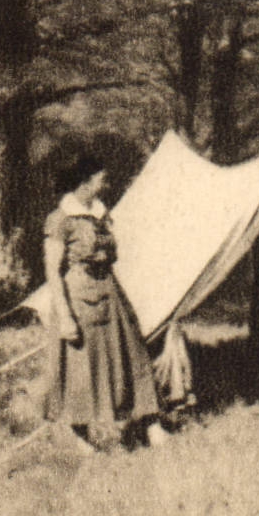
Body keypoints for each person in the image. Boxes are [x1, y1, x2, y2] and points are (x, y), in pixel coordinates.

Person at [42, 153, 168, 453]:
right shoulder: (60, 220)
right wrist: (65, 316)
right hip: (79, 298)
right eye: (101, 177)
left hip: (111, 294)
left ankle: (151, 425)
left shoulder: (101, 214)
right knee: (81, 366)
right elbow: (52, 271)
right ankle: (81, 437)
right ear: (85, 182)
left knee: (133, 355)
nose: (106, 182)